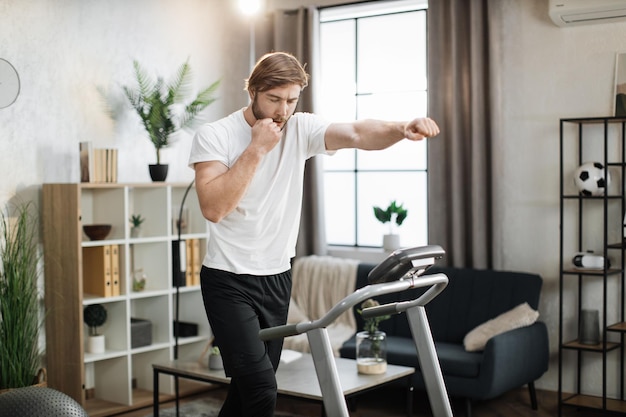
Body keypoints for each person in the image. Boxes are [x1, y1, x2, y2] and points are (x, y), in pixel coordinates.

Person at [188, 51, 440, 417]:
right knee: (261, 389)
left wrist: (401, 129)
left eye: (291, 100)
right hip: (229, 279)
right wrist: (257, 149)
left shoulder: (300, 128)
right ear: (253, 91)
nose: (282, 110)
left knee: (248, 389)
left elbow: (356, 132)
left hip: (276, 278)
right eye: (274, 99)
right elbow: (213, 207)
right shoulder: (216, 135)